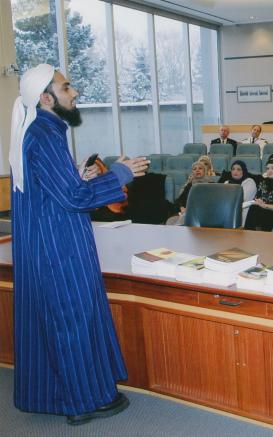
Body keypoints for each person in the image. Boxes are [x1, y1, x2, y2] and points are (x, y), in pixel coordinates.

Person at [10, 64, 149, 425]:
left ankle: (59, 395)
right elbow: (72, 198)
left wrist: (80, 175)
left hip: (49, 244)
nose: (75, 92)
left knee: (57, 321)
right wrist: (120, 173)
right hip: (60, 249)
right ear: (46, 98)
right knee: (73, 321)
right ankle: (84, 402)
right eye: (66, 86)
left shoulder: (40, 132)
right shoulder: (44, 134)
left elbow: (54, 191)